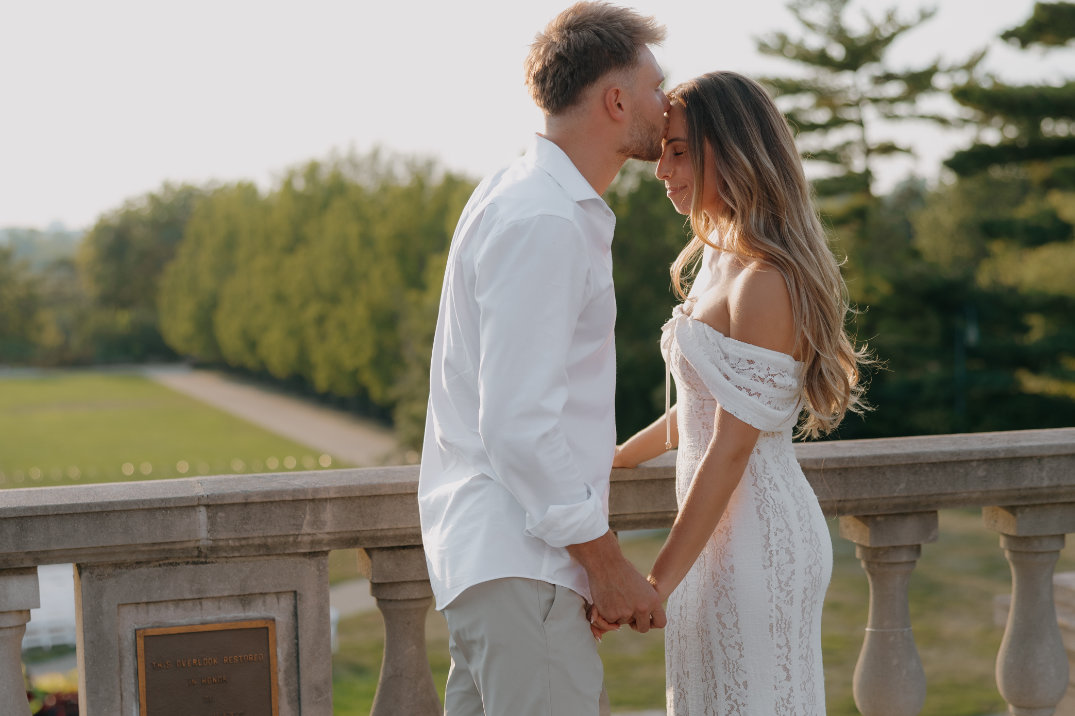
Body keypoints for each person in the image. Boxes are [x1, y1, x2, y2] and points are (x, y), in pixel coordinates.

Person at [417, 3, 669, 714]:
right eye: (655, 87)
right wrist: (607, 564)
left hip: (496, 567)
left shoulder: (515, 193)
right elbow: (517, 424)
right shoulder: (545, 220)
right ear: (615, 100)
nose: (666, 104)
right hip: (523, 565)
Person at [614, 71, 872, 714]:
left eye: (678, 150)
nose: (660, 169)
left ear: (726, 153)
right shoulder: (715, 254)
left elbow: (730, 449)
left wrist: (658, 580)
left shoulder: (765, 281)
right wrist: (619, 457)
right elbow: (698, 407)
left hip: (760, 542)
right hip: (713, 539)